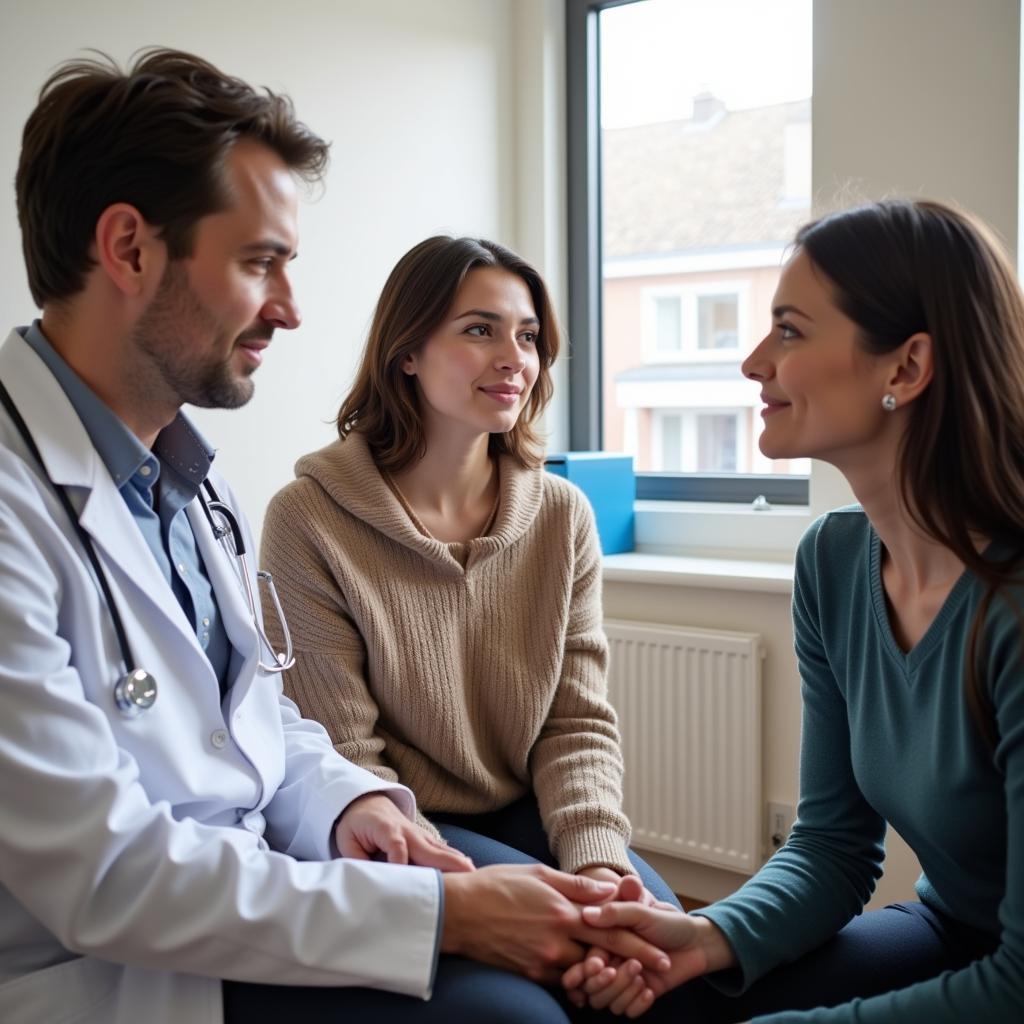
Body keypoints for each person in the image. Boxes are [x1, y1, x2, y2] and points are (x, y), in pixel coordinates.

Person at [0, 49, 672, 1024]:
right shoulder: (22, 505)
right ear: (129, 249)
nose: (290, 308)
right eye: (259, 261)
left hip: (252, 893)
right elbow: (106, 873)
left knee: (619, 969)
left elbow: (261, 719)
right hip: (111, 967)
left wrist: (351, 805)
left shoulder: (190, 486)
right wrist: (442, 907)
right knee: (515, 1017)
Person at [562, 199, 1024, 1021]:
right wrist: (702, 937)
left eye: (790, 331)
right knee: (657, 1002)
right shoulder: (835, 563)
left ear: (905, 369)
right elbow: (834, 848)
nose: (751, 362)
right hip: (955, 931)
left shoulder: (1013, 614)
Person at [261, 234, 678, 908]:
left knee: (649, 936)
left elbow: (574, 723)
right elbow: (344, 753)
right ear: (407, 354)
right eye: (481, 330)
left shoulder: (561, 516)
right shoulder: (308, 519)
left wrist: (600, 864)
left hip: (527, 809)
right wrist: (472, 895)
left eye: (529, 336)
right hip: (390, 823)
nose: (515, 359)